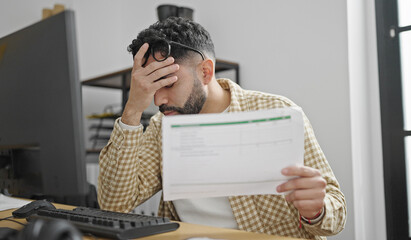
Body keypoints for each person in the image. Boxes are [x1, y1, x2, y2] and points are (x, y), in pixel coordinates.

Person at [98, 17, 346, 239]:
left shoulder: (277, 112)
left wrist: (317, 209)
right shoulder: (161, 126)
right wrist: (132, 110)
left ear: (206, 72)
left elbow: (336, 217)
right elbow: (114, 205)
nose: (158, 101)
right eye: (151, 87)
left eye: (168, 84)